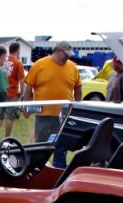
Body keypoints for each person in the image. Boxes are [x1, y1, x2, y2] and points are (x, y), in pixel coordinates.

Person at [22, 40, 82, 168]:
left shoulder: (72, 67)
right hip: (44, 114)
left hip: (65, 116)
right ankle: (37, 167)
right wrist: (26, 107)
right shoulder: (40, 64)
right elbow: (28, 87)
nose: (68, 57)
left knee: (61, 146)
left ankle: (58, 169)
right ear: (58, 51)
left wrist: (78, 106)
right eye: (66, 54)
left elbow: (78, 87)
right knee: (41, 145)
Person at [0, 42, 26, 139]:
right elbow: (22, 81)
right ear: (18, 50)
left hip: (1, 92)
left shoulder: (3, 61)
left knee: (0, 115)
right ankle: (7, 137)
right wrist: (22, 95)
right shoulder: (18, 63)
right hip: (13, 93)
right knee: (10, 116)